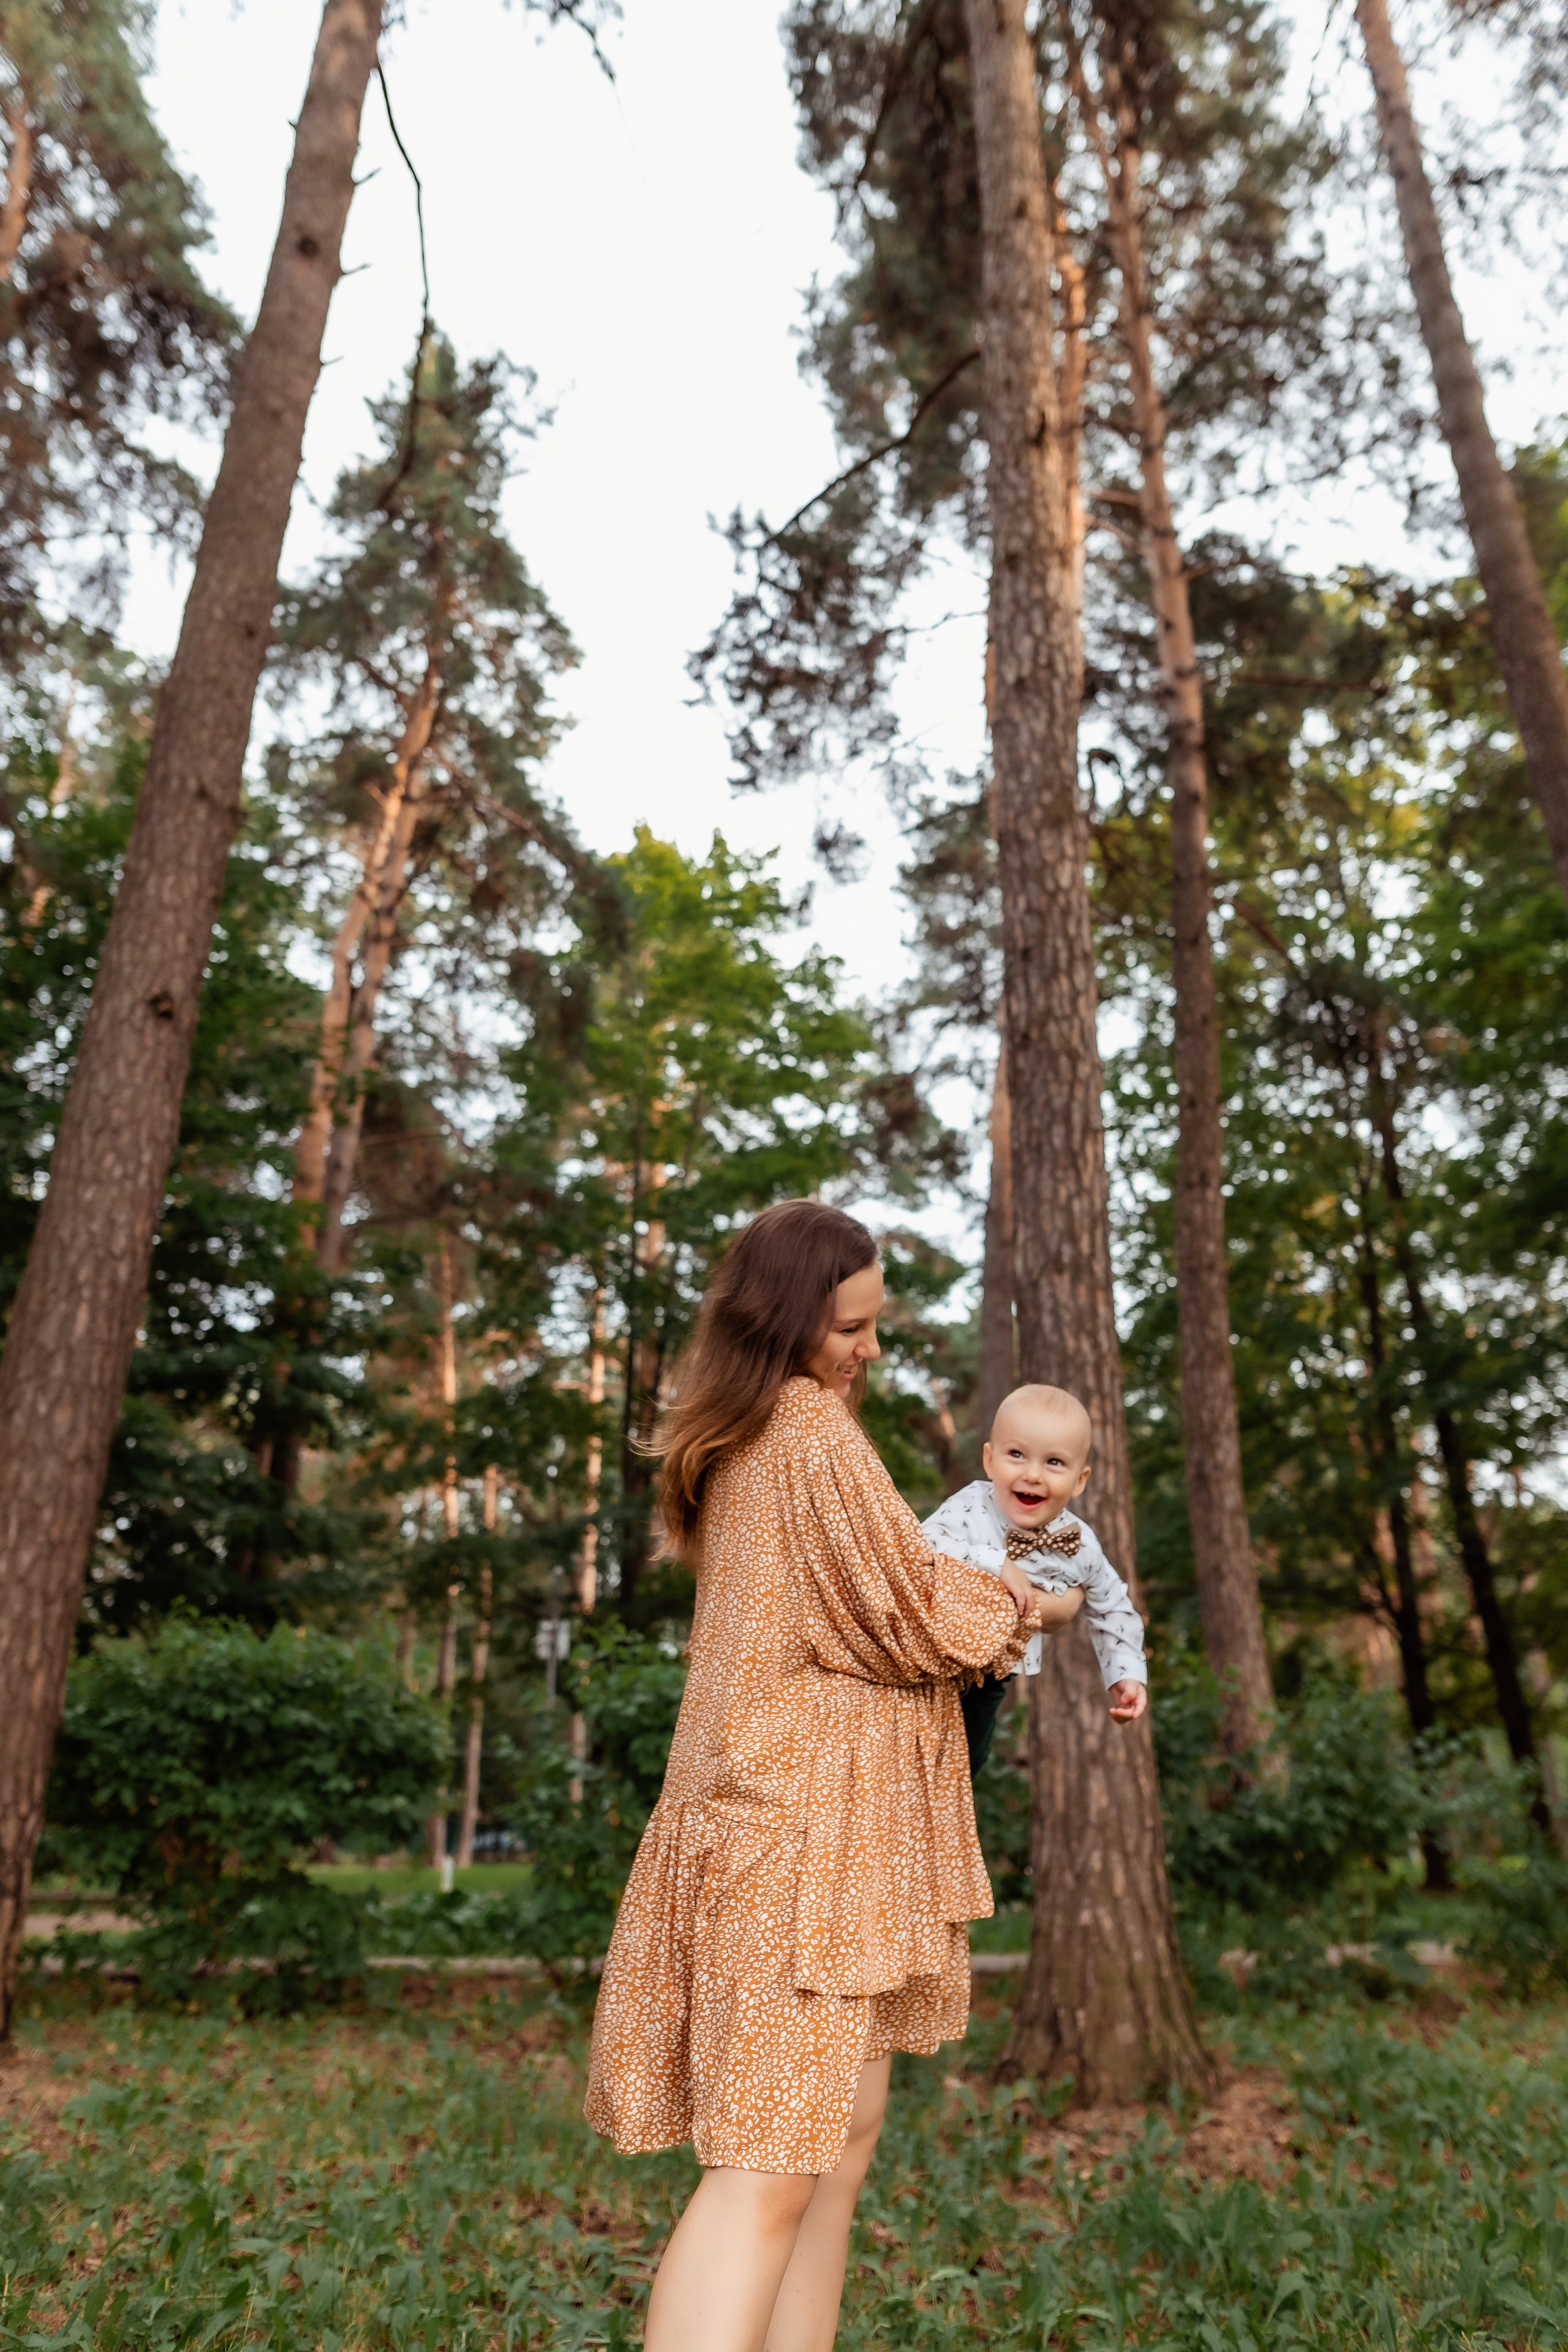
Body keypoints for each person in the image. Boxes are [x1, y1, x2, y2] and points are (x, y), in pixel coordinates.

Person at [584, 1199, 1045, 2352]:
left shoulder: (754, 1435)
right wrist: (1019, 1601)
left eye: (874, 1326)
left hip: (814, 1840)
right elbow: (906, 1612)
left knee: (836, 2146)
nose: (870, 1351)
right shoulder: (803, 1434)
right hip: (796, 1844)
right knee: (770, 2167)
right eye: (850, 1328)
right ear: (787, 1321)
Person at [922, 1382, 1148, 1776]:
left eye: (1055, 1463)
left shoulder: (1080, 1544)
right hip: (930, 1657)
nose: (1032, 1474)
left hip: (991, 1675)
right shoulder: (972, 1505)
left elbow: (1113, 1607)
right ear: (990, 1460)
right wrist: (995, 1562)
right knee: (914, 1752)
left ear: (1080, 1479)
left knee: (966, 1764)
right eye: (1016, 1455)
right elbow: (921, 1546)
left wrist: (1125, 1673)